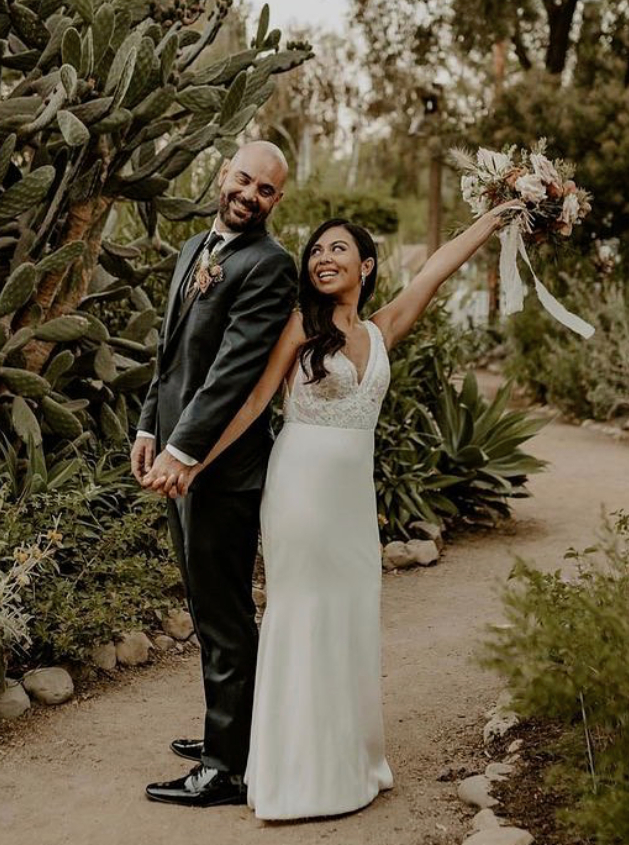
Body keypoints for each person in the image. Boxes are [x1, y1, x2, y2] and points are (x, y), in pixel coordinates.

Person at [147, 200, 523, 820]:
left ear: (366, 266)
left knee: (349, 617)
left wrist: (494, 218)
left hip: (351, 501)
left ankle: (348, 758)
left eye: (337, 249)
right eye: (316, 251)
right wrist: (189, 461)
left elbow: (435, 270)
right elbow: (250, 405)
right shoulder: (300, 324)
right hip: (298, 491)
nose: (323, 258)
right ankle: (291, 769)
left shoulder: (382, 329)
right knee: (303, 614)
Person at [133, 141, 297, 807]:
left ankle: (228, 769)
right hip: (177, 456)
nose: (250, 194)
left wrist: (185, 451)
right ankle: (231, 731)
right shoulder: (193, 249)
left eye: (265, 190)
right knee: (205, 604)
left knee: (224, 612)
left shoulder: (270, 266)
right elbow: (170, 359)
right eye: (244, 179)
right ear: (224, 171)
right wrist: (149, 427)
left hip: (222, 469)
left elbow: (234, 373)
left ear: (276, 201)